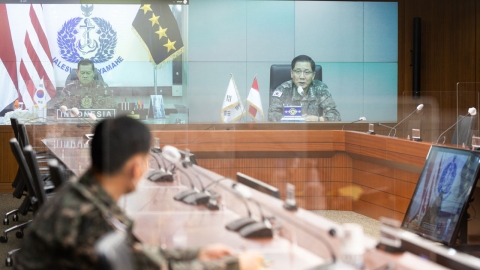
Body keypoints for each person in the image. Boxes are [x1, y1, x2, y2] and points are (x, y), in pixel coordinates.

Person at [14, 116, 264, 270]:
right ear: (136, 167)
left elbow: (137, 256)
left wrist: (198, 253)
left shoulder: (84, 193)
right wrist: (234, 266)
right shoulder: (90, 216)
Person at [267, 55, 341, 122]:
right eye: (298, 71)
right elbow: (272, 115)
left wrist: (319, 119)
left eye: (307, 72)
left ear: (313, 75)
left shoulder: (320, 89)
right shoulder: (283, 90)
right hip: (288, 132)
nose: (302, 77)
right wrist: (293, 119)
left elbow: (335, 116)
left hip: (314, 133)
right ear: (292, 74)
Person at [47, 59, 115, 110]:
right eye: (82, 73)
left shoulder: (103, 87)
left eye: (88, 73)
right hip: (73, 124)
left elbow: (112, 106)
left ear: (94, 73)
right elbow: (58, 107)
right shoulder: (69, 88)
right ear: (77, 73)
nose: (85, 76)